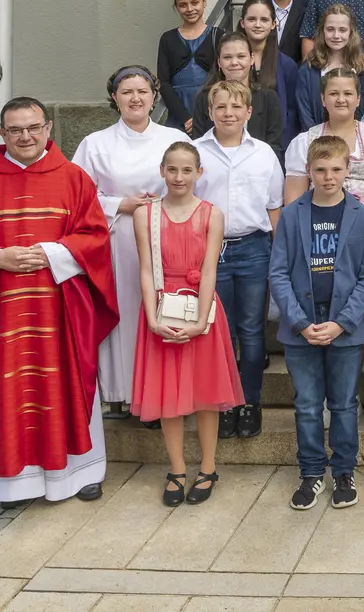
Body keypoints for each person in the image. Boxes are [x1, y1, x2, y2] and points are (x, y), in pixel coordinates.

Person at [0, 97, 117, 505]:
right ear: (2, 134)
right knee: (9, 386)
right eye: (16, 129)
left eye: (33, 127)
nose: (26, 136)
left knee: (69, 380)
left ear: (49, 128)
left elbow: (95, 236)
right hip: (2, 314)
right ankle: (12, 481)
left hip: (61, 309)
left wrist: (54, 253)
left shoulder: (75, 178)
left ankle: (79, 473)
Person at [71, 67, 191, 417]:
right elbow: (77, 196)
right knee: (124, 312)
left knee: (159, 308)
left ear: (155, 95)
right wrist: (117, 205)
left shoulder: (172, 139)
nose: (135, 98)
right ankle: (120, 393)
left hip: (166, 235)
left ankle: (160, 392)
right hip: (116, 239)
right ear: (114, 98)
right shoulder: (96, 143)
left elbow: (193, 181)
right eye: (127, 92)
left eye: (142, 91)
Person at [270, 135, 364, 512]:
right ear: (310, 171)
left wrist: (342, 323)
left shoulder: (361, 216)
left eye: (336, 169)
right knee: (307, 405)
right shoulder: (292, 214)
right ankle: (312, 471)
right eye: (320, 169)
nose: (328, 177)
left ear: (348, 170)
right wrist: (299, 323)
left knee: (345, 404)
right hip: (302, 328)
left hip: (344, 331)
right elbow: (279, 273)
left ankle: (344, 471)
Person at [132, 143, 243, 506]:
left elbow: (210, 269)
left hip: (202, 310)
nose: (179, 177)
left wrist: (200, 321)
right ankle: (177, 469)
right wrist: (150, 318)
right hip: (161, 309)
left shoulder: (211, 214)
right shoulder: (144, 216)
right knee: (168, 397)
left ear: (199, 173)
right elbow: (147, 270)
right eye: (172, 170)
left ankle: (208, 467)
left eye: (187, 170)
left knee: (206, 395)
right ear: (162, 170)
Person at [192, 81, 285, 441]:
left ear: (248, 112)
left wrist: (278, 255)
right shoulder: (197, 151)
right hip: (209, 251)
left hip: (253, 248)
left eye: (235, 107)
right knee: (219, 331)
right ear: (209, 111)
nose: (228, 113)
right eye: (220, 107)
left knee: (250, 330)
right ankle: (224, 402)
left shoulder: (262, 154)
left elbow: (274, 206)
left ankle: (250, 401)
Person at [283, 68, 364, 229]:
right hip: (318, 224)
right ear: (323, 99)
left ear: (358, 99)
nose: (341, 99)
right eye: (333, 94)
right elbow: (294, 200)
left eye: (348, 93)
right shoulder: (304, 141)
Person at [188, 33, 285, 151]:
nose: (234, 62)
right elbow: (198, 145)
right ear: (219, 62)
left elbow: (275, 147)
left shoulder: (268, 98)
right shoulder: (205, 98)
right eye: (227, 57)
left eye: (241, 56)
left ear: (252, 59)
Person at [297, 4, 364, 131]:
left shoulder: (362, 69)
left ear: (351, 32)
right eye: (330, 29)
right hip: (317, 141)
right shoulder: (308, 70)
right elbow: (304, 112)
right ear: (322, 31)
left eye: (342, 30)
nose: (336, 35)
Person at [157, 0, 221, 132]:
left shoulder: (218, 35)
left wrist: (203, 115)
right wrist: (186, 118)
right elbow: (164, 83)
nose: (190, 9)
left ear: (204, 2)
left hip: (212, 110)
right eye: (183, 5)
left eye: (194, 2)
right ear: (176, 7)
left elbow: (223, 78)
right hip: (178, 112)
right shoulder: (168, 39)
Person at [240, 0, 302, 141]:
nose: (258, 24)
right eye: (251, 19)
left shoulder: (287, 65)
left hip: (275, 141)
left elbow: (292, 112)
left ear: (274, 24)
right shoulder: (232, 62)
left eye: (264, 20)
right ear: (242, 23)